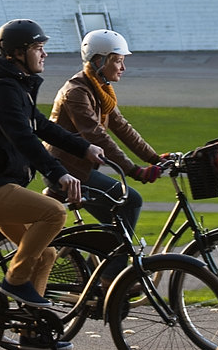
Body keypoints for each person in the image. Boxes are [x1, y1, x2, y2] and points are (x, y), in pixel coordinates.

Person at [0, 19, 106, 350]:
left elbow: (41, 127)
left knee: (47, 252)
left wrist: (84, 147)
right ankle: (15, 280)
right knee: (53, 212)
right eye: (38, 48)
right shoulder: (1, 90)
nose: (45, 54)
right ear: (16, 54)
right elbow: (24, 139)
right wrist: (59, 174)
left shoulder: (16, 87)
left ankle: (31, 330)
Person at [46, 29, 167, 237]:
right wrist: (133, 170)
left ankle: (102, 261)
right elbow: (96, 135)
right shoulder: (77, 92)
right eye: (118, 61)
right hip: (67, 171)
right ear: (100, 61)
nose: (123, 68)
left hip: (80, 169)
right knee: (132, 201)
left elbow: (122, 127)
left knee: (114, 228)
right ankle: (113, 268)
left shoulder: (100, 89)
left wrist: (154, 158)